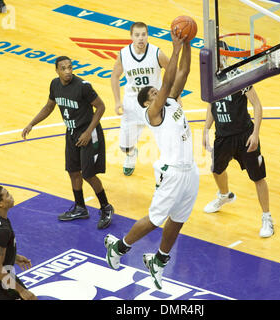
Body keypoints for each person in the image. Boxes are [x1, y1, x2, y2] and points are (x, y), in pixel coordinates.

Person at [105, 29, 198, 290]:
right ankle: (119, 246)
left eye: (158, 91)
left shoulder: (171, 102)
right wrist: (175, 48)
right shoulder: (153, 114)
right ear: (147, 103)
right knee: (155, 219)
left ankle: (159, 259)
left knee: (179, 218)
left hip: (190, 170)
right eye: (153, 93)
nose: (159, 92)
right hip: (172, 172)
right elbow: (168, 81)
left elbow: (183, 73)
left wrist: (187, 44)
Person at [22, 56, 114, 229]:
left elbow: (101, 107)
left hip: (88, 133)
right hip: (71, 133)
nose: (67, 71)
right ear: (56, 70)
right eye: (63, 68)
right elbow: (49, 107)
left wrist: (88, 132)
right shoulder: (55, 85)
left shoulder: (83, 87)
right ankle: (80, 207)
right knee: (73, 171)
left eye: (70, 67)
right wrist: (31, 123)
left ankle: (106, 207)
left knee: (88, 174)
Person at [202, 42, 274, 238]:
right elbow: (212, 105)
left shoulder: (239, 76)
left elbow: (257, 106)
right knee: (216, 170)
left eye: (219, 55)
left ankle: (267, 217)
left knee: (258, 177)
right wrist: (206, 129)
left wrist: (256, 134)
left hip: (244, 135)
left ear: (225, 56)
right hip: (222, 136)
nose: (216, 60)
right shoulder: (210, 79)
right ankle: (225, 196)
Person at [111, 21, 170, 176]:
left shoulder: (157, 52)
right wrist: (117, 101)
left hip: (154, 103)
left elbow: (172, 71)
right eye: (137, 35)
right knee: (124, 146)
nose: (141, 38)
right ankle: (131, 154)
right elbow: (115, 76)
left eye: (144, 34)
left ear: (147, 35)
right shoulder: (124, 54)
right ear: (131, 37)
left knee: (165, 139)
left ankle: (168, 166)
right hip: (132, 103)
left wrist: (172, 95)